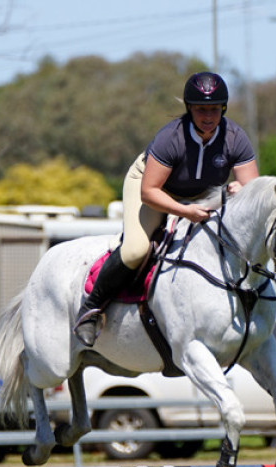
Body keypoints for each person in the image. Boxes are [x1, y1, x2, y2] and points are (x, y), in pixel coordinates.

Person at [73, 71, 259, 345]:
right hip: (153, 189)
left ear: (223, 108)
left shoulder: (235, 137)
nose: (208, 116)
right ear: (189, 109)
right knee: (137, 249)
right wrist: (185, 212)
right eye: (200, 110)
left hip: (201, 196)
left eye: (214, 109)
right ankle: (90, 307)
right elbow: (149, 192)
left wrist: (242, 190)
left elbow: (253, 191)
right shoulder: (172, 137)